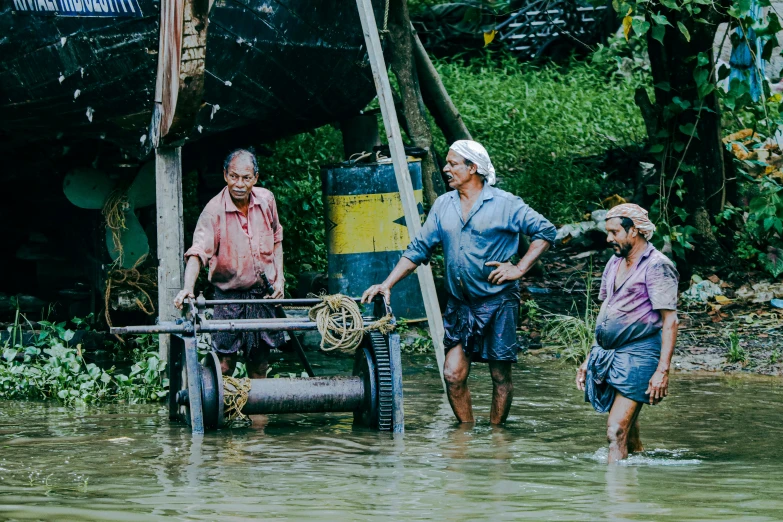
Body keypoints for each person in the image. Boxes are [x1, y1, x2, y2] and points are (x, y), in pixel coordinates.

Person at [362, 140, 557, 425]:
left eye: (453, 164)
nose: (446, 168)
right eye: (448, 163)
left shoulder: (505, 204)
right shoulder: (444, 205)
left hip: (498, 301)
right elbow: (418, 248)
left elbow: (546, 231)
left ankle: (496, 437)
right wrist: (387, 283)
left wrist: (518, 268)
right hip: (460, 304)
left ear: (473, 168)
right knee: (453, 375)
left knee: (499, 376)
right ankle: (465, 436)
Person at [576, 203, 680, 463]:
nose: (608, 238)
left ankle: (616, 501)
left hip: (640, 353)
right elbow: (606, 310)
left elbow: (671, 321)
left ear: (634, 231)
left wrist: (661, 371)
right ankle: (635, 476)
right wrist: (591, 357)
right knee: (628, 434)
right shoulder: (614, 261)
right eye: (608, 232)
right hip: (610, 352)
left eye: (614, 232)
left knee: (616, 430)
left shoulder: (657, 266)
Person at [174, 148, 285, 378]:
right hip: (228, 296)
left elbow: (276, 239)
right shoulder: (213, 211)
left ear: (255, 177)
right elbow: (197, 253)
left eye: (246, 178)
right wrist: (188, 288)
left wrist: (280, 279)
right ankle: (224, 411)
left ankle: (259, 413)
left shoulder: (266, 200)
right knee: (224, 364)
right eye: (234, 176)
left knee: (259, 364)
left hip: (262, 294)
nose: (239, 184)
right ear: (225, 175)